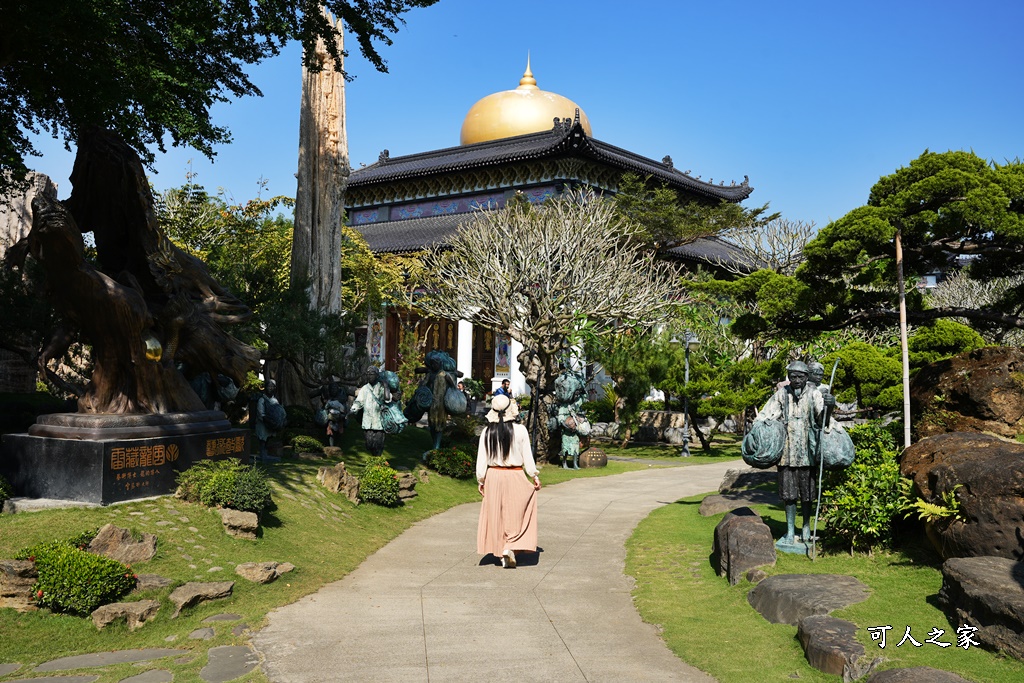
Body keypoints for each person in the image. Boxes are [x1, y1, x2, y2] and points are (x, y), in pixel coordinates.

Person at [753, 361, 835, 547]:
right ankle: (790, 530)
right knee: (789, 495)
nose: (796, 380)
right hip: (787, 454)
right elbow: (767, 414)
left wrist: (829, 407)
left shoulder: (814, 394)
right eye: (793, 376)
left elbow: (822, 421)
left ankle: (806, 527)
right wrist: (759, 428)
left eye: (800, 377)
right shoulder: (782, 394)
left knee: (807, 494)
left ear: (807, 377)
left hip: (807, 453)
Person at [476, 394, 541, 568]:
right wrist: (534, 475)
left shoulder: (487, 432)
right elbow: (527, 456)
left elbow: (482, 459)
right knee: (518, 513)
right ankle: (510, 546)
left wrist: (481, 479)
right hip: (515, 474)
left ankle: (502, 548)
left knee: (497, 514)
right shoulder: (520, 430)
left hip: (494, 476)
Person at [349, 366, 390, 457]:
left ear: (377, 375)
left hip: (379, 422)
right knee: (369, 444)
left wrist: (386, 386)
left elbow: (387, 399)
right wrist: (353, 409)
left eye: (372, 374)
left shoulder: (381, 387)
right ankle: (375, 460)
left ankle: (377, 462)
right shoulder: (365, 388)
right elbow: (359, 402)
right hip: (367, 422)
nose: (369, 376)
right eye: (368, 374)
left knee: (378, 444)